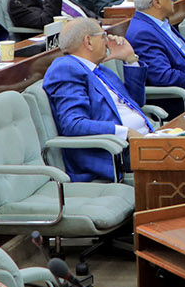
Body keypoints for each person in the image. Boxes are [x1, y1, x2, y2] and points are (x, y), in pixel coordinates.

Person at [43, 17, 148, 182]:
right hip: (117, 153)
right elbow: (73, 124)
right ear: (88, 42)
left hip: (143, 140)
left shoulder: (98, 69)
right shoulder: (66, 69)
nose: (108, 41)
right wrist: (125, 132)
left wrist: (130, 59)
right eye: (103, 36)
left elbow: (135, 103)